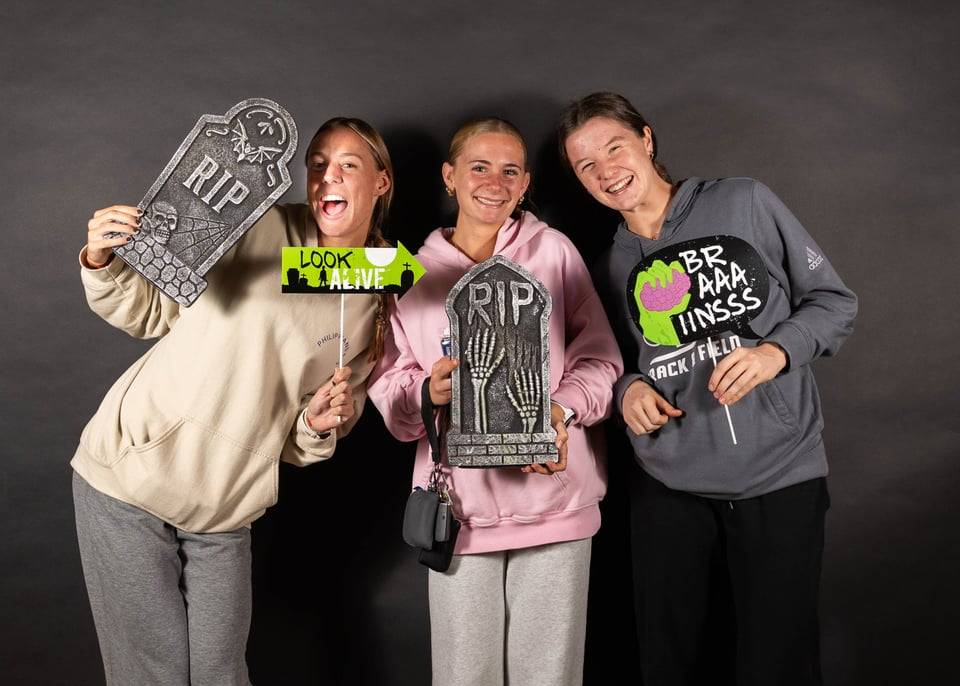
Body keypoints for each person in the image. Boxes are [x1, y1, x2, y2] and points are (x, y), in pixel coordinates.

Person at [72, 117, 393, 685]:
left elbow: (313, 432)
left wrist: (319, 424)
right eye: (317, 164)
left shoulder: (385, 281)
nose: (328, 178)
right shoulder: (252, 224)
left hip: (228, 505)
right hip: (133, 473)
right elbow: (146, 310)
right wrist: (102, 259)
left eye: (347, 164)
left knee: (221, 675)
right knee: (155, 676)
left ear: (381, 182)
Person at [558, 92, 858, 685]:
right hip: (669, 488)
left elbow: (833, 303)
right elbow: (611, 364)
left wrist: (775, 351)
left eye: (614, 148)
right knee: (675, 664)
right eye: (585, 166)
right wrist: (627, 394)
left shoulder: (743, 200)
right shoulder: (606, 268)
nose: (605, 171)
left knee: (778, 663)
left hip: (780, 475)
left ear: (646, 140)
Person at [368, 117, 623, 686]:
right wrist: (423, 392)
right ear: (450, 176)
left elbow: (601, 355)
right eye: (479, 166)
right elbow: (389, 385)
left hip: (557, 502)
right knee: (464, 677)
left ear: (526, 181)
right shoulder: (408, 274)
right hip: (461, 513)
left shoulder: (554, 252)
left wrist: (559, 411)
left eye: (510, 170)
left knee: (549, 678)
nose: (494, 181)